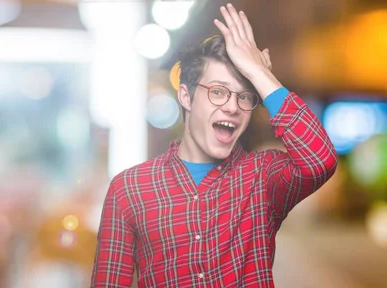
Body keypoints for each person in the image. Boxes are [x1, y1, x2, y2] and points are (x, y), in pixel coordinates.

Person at [90, 3, 338, 287]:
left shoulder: (262, 177)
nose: (233, 106)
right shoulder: (129, 189)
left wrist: (260, 75)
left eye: (245, 96)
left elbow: (321, 160)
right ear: (186, 96)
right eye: (218, 92)